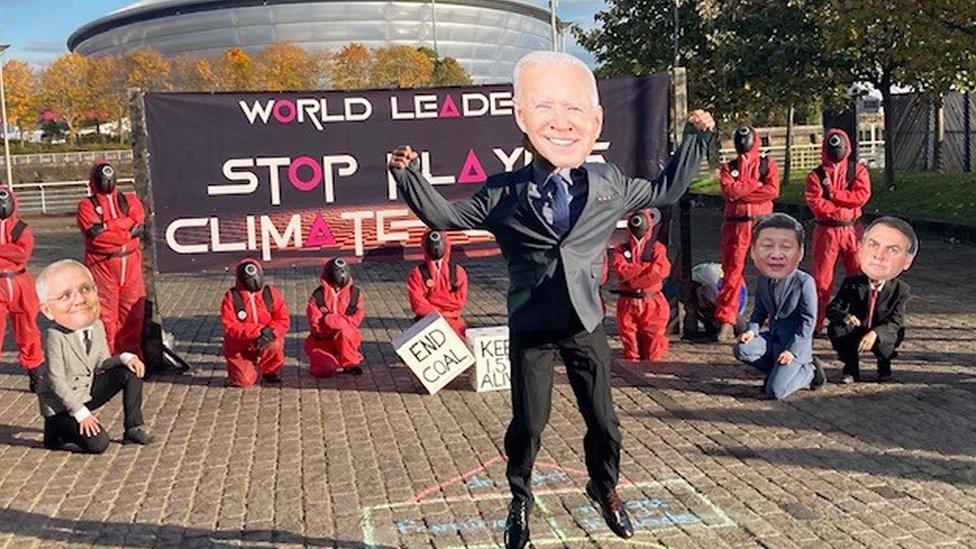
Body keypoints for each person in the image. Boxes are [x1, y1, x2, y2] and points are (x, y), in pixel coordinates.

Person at [389, 50, 714, 548]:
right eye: (545, 113)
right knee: (529, 425)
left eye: (573, 114)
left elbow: (666, 191)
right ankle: (520, 499)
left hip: (584, 322)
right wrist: (409, 177)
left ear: (591, 124)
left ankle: (604, 489)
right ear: (526, 125)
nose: (560, 125)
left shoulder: (608, 182)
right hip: (532, 324)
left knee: (604, 422)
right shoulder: (504, 191)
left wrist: (696, 138)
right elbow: (445, 219)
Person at [34, 259, 153, 453]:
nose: (79, 300)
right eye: (65, 296)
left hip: (86, 391)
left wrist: (124, 358)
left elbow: (101, 363)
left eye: (85, 290)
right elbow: (57, 381)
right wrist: (81, 413)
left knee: (130, 371)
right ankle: (55, 432)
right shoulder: (54, 336)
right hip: (62, 405)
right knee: (99, 445)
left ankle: (133, 426)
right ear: (48, 309)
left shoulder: (96, 326)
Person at [733, 213, 826, 400]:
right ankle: (777, 371)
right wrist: (752, 331)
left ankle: (809, 371)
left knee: (775, 392)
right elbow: (759, 311)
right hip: (773, 339)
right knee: (742, 349)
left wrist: (792, 351)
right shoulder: (763, 278)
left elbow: (808, 322)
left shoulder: (804, 282)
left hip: (794, 343)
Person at [827, 217, 916, 383]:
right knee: (837, 329)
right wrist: (845, 316)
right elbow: (832, 308)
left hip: (881, 329)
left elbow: (896, 321)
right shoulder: (852, 283)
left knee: (886, 340)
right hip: (857, 327)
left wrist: (875, 333)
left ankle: (884, 365)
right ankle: (850, 368)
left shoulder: (901, 289)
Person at [715, 125, 779, 342]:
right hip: (735, 226)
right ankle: (727, 320)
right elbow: (729, 192)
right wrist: (753, 185)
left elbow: (772, 190)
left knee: (769, 272)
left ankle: (774, 318)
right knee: (732, 273)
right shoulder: (728, 166)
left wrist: (742, 190)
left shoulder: (766, 164)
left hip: (762, 224)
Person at [76, 161, 147, 356]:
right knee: (105, 317)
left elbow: (139, 223)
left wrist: (106, 226)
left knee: (134, 315)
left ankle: (133, 360)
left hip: (130, 264)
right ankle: (110, 360)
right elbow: (98, 240)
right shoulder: (86, 206)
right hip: (102, 266)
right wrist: (126, 232)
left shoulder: (130, 200)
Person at [804, 129, 871, 331]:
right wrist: (843, 202)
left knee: (859, 277)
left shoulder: (857, 170)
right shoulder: (816, 175)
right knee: (821, 280)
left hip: (852, 230)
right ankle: (815, 324)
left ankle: (859, 320)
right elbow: (816, 204)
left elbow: (861, 196)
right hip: (827, 231)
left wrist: (833, 195)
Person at [0, 188, 45, 391]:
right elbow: (16, 252)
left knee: (28, 330)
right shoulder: (21, 230)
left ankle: (34, 370)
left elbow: (22, 253)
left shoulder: (21, 228)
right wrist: (9, 251)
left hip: (20, 283)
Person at [611, 211, 671, 362]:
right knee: (630, 346)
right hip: (627, 304)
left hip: (653, 303)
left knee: (653, 348)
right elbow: (620, 270)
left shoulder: (656, 248)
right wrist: (645, 269)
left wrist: (633, 279)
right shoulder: (622, 249)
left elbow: (660, 271)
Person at [219, 259, 289, 387]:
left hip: (265, 339)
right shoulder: (231, 297)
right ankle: (239, 368)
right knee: (244, 381)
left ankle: (270, 370)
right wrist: (258, 331)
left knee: (275, 344)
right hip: (240, 347)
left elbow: (282, 319)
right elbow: (230, 326)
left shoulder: (270, 293)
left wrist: (271, 332)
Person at [305, 257, 365, 377]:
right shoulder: (318, 296)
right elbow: (315, 324)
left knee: (346, 332)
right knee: (324, 370)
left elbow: (355, 320)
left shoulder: (355, 295)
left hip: (345, 339)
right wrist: (332, 326)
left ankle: (350, 363)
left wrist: (330, 320)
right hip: (324, 341)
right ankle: (331, 360)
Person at [406, 231, 468, 337]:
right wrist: (445, 310)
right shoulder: (417, 273)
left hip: (454, 321)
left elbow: (459, 302)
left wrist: (434, 304)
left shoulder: (458, 271)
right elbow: (418, 305)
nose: (436, 249)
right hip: (427, 322)